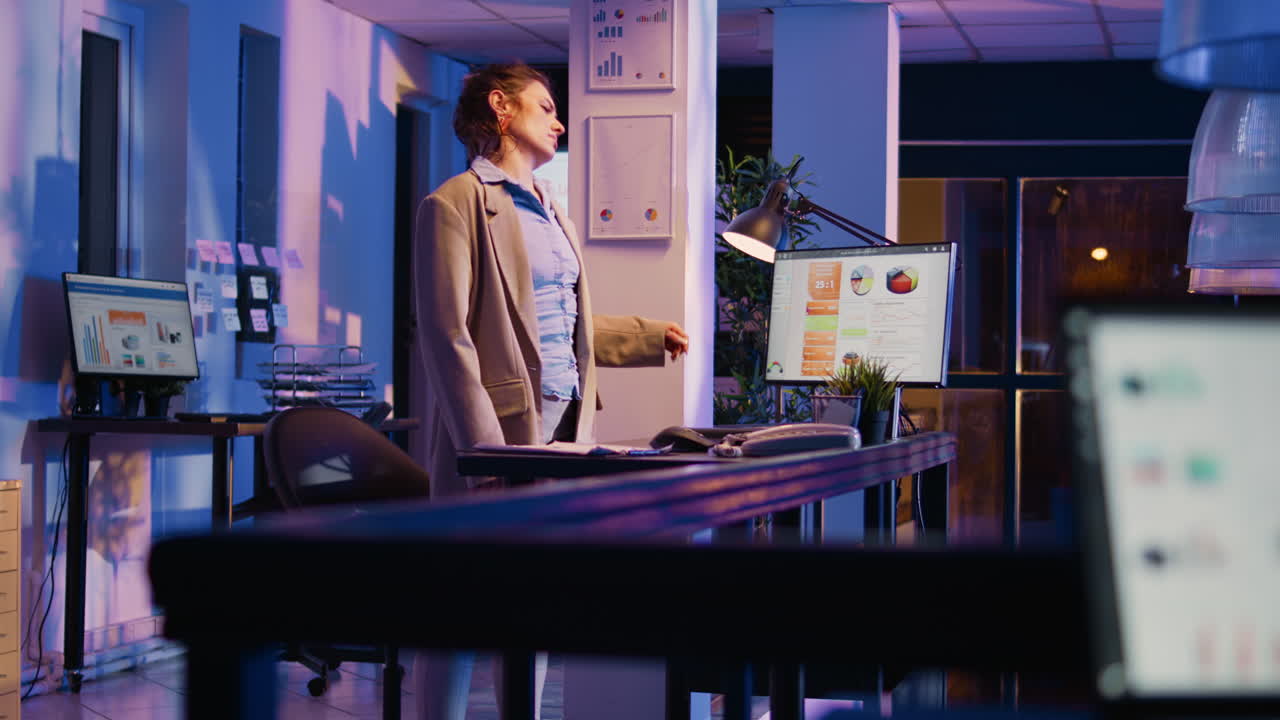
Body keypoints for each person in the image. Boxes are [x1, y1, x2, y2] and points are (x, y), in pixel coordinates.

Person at [411, 62, 689, 720]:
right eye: (546, 106)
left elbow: (558, 325)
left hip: (562, 433)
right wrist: (482, 454)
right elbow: (449, 336)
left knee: (534, 595)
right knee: (457, 606)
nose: (559, 120)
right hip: (499, 438)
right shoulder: (454, 203)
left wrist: (647, 338)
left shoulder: (551, 210)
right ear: (501, 108)